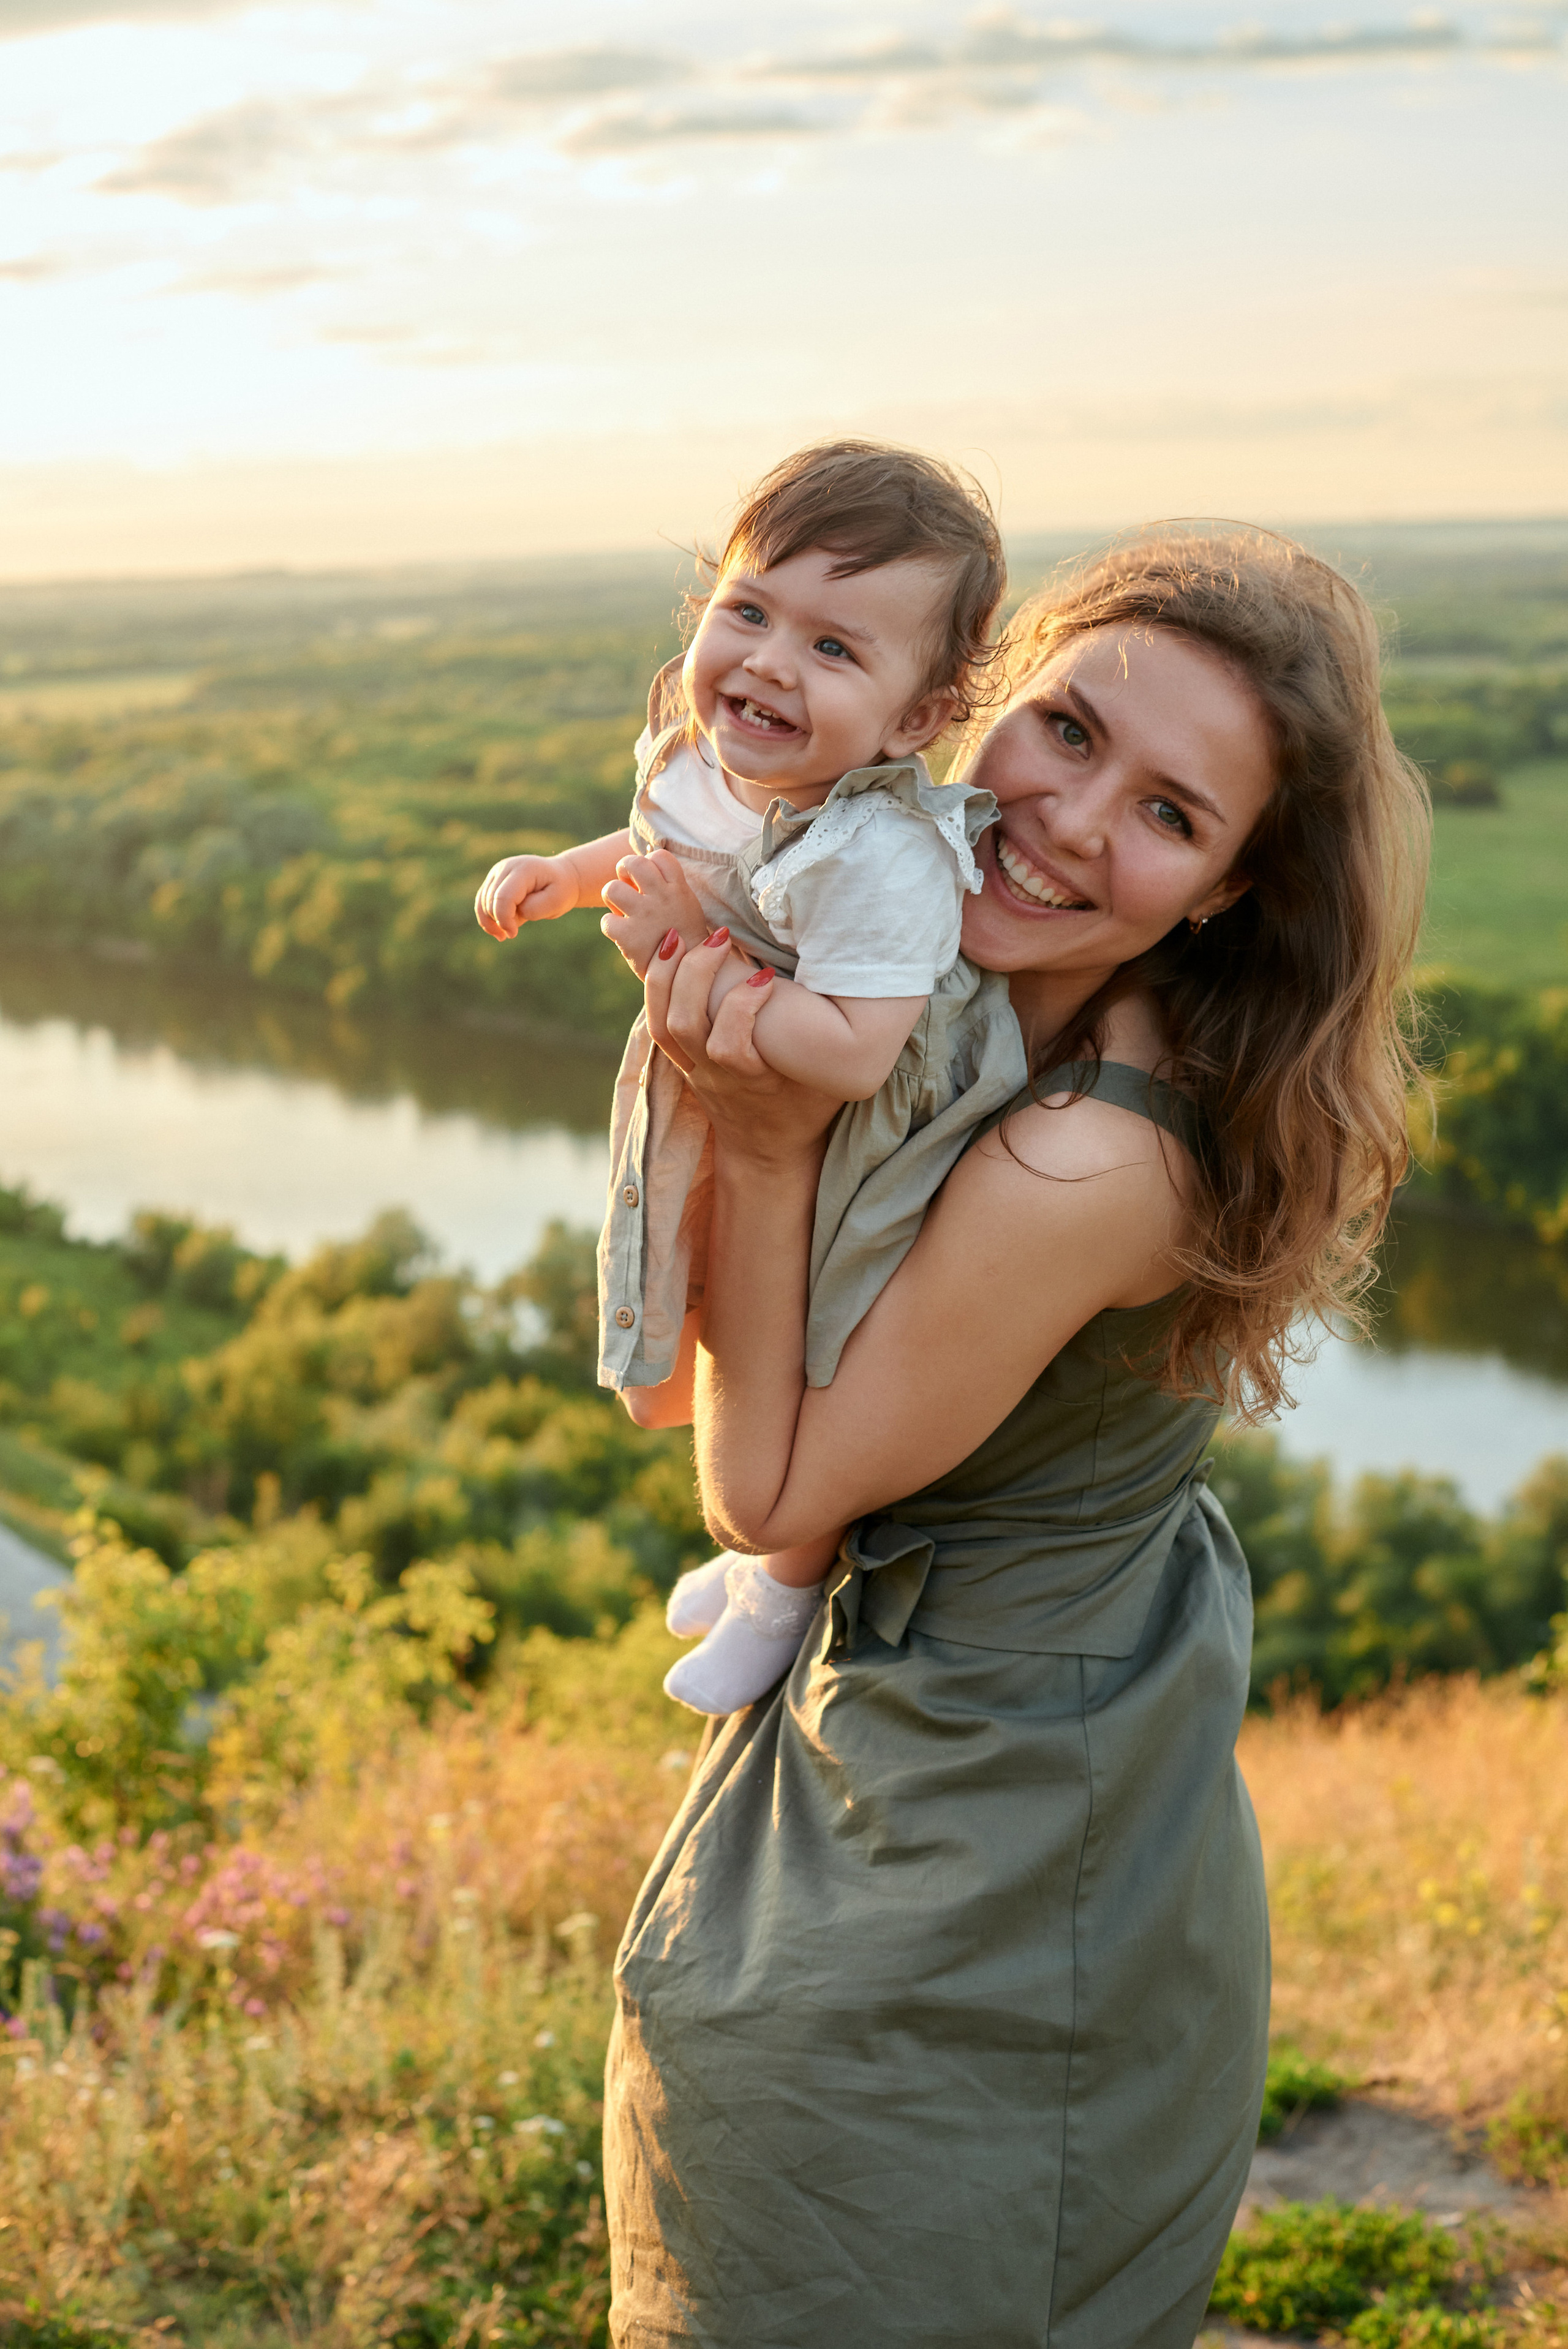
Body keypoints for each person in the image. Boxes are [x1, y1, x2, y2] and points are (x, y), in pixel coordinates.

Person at [602, 526, 1430, 2348]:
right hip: (1028, 1731)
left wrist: (753, 1129)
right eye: (1063, 733)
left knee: (831, 2246)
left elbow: (769, 1489)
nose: (1065, 821)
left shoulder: (1091, 1153)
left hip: (974, 1804)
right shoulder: (988, 1003)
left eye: (1168, 816)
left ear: (1225, 890)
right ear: (969, 704)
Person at [475, 441, 1025, 1715]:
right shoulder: (706, 755)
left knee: (809, 1351)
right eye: (750, 610)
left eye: (836, 648)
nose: (772, 661)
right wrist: (562, 875)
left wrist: (684, 949)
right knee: (722, 1314)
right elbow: (664, 839)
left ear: (917, 717)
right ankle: (742, 1565)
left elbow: (852, 1050)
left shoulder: (872, 854)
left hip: (855, 1142)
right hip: (735, 1093)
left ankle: (781, 1589)